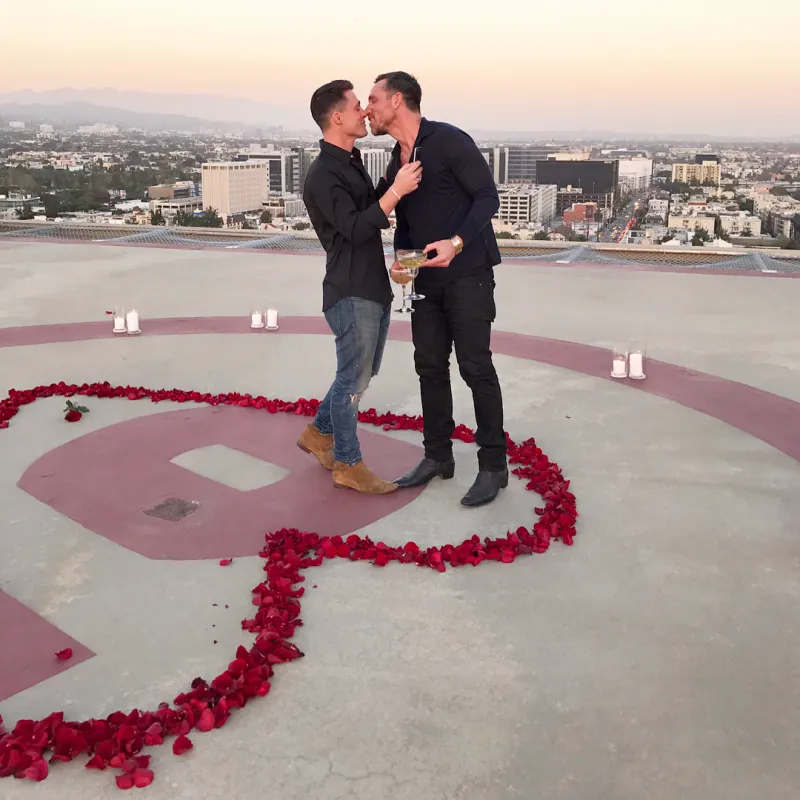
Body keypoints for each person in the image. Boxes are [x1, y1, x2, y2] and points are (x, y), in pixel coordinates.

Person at [367, 71, 507, 507]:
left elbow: (487, 197)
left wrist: (456, 242)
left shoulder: (449, 140)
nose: (368, 109)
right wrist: (403, 260)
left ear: (397, 100)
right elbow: (406, 222)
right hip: (426, 280)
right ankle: (438, 456)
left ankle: (493, 466)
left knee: (475, 367)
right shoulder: (396, 160)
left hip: (469, 276)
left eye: (373, 99)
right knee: (428, 366)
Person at [298, 79, 423, 494]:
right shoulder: (323, 175)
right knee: (353, 380)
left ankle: (319, 433)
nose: (365, 111)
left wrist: (393, 183)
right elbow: (354, 228)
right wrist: (396, 191)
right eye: (357, 106)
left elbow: (370, 212)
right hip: (350, 291)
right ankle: (348, 464)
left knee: (359, 374)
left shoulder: (349, 162)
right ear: (337, 118)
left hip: (369, 286)